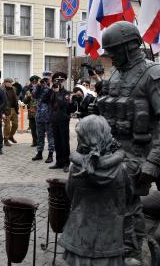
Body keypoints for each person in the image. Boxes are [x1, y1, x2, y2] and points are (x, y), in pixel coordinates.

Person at [93, 21, 160, 265]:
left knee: (127, 203)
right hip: (114, 151)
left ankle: (130, 252)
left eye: (114, 51)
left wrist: (153, 162)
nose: (111, 56)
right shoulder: (118, 73)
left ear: (130, 47)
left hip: (140, 155)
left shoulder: (152, 74)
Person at [59, 115, 132, 266]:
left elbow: (70, 194)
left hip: (79, 239)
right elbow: (128, 198)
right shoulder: (122, 169)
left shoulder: (76, 169)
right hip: (110, 240)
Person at [46, 72, 73, 172]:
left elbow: (63, 104)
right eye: (57, 80)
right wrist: (50, 89)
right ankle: (59, 162)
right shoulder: (52, 91)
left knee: (64, 142)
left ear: (64, 81)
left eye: (61, 80)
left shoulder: (67, 93)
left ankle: (66, 163)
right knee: (57, 142)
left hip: (63, 120)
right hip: (54, 120)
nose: (59, 82)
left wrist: (57, 92)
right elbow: (44, 99)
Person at [32, 77, 54, 163]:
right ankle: (39, 153)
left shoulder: (51, 89)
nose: (44, 82)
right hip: (39, 116)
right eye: (43, 80)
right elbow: (34, 95)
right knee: (39, 135)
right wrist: (38, 86)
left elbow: (51, 96)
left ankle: (50, 154)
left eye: (46, 80)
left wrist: (46, 86)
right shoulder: (37, 88)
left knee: (50, 136)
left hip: (48, 116)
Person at [23, 76, 39, 147]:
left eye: (36, 83)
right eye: (33, 83)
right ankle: (34, 141)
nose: (34, 84)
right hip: (31, 113)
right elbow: (25, 102)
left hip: (40, 113)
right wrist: (28, 97)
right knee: (33, 128)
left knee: (39, 127)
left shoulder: (41, 91)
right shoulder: (28, 92)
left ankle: (39, 141)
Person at [2, 78, 19, 146]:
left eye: (11, 83)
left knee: (15, 124)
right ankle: (6, 140)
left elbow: (15, 98)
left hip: (14, 109)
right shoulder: (2, 89)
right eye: (9, 83)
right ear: (5, 83)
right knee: (7, 126)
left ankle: (10, 136)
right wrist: (2, 112)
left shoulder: (14, 88)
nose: (11, 84)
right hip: (6, 109)